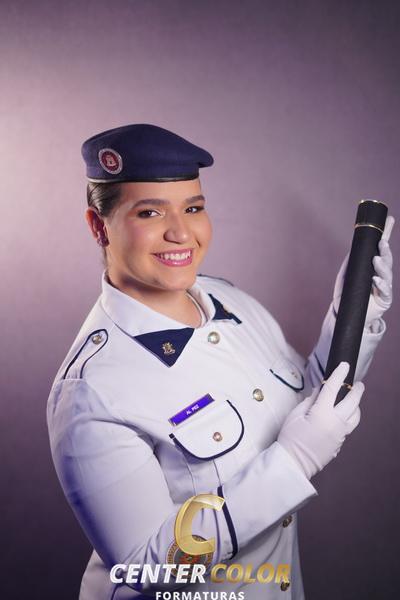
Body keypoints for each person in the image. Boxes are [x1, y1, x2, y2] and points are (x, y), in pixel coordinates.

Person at [47, 124, 394, 600]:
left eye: (193, 208)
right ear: (98, 225)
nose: (180, 232)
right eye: (149, 212)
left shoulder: (229, 301)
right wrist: (293, 462)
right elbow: (143, 567)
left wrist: (355, 315)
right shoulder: (92, 388)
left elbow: (307, 407)